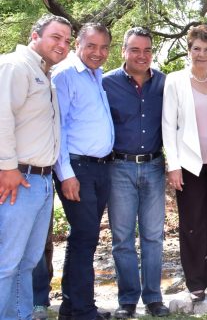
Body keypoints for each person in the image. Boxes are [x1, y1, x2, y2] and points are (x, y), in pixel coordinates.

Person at [0, 14, 71, 320]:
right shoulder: (16, 66)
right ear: (35, 36)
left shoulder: (45, 74)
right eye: (56, 37)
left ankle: (20, 315)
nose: (62, 45)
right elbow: (1, 117)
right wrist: (7, 167)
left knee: (27, 261)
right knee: (6, 261)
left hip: (41, 181)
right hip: (19, 178)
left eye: (67, 41)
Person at [103, 27, 170, 318]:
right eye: (134, 49)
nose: (141, 56)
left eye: (146, 50)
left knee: (154, 236)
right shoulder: (106, 83)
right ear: (123, 51)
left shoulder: (165, 83)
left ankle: (154, 298)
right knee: (122, 237)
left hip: (155, 167)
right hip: (119, 167)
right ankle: (127, 299)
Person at [162, 25, 207, 303]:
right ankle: (195, 282)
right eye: (196, 49)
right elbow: (168, 125)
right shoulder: (175, 81)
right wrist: (173, 166)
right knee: (192, 223)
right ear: (189, 50)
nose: (201, 54)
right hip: (189, 164)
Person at [52, 23, 115, 320]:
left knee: (85, 238)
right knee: (85, 237)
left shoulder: (96, 75)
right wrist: (66, 174)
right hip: (77, 169)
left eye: (104, 47)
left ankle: (71, 308)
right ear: (78, 43)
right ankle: (82, 310)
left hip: (100, 169)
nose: (98, 52)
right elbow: (58, 128)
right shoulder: (66, 75)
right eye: (91, 45)